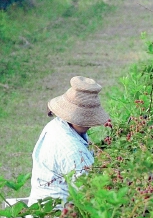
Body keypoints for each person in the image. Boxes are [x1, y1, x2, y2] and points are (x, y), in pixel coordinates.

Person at [29, 76, 110, 206]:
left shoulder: (56, 125)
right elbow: (90, 192)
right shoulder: (72, 150)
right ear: (78, 119)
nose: (91, 124)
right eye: (88, 120)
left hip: (40, 207)